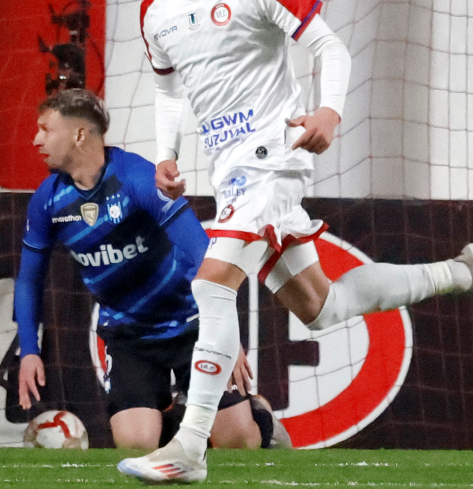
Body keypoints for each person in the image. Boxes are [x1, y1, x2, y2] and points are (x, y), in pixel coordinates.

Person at [117, 0, 473, 483]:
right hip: (232, 174)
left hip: (274, 158)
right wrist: (167, 152)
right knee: (322, 308)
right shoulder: (155, 9)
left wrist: (329, 109)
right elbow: (167, 88)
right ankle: (463, 270)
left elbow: (330, 46)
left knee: (212, 285)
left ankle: (189, 447)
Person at [15, 90, 287, 452]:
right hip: (129, 336)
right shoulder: (47, 200)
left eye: (45, 130)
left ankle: (261, 418)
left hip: (192, 324)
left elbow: (200, 253)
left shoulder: (137, 177)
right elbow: (29, 280)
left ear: (79, 135)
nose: (36, 140)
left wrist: (225, 334)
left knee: (238, 443)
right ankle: (175, 419)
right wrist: (29, 350)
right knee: (136, 446)